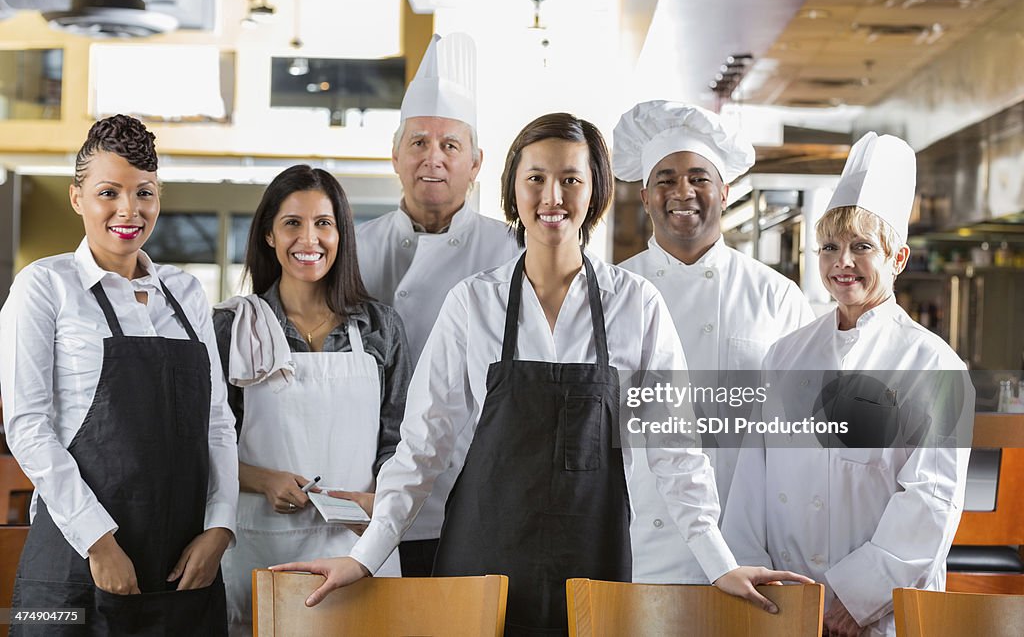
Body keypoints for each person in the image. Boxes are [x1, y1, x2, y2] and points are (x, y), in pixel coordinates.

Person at [274, 113, 809, 636]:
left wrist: (719, 563)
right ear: (513, 190)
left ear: (595, 191)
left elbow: (676, 450)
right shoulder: (473, 303)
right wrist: (366, 557)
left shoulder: (636, 304)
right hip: (482, 558)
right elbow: (422, 447)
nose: (553, 197)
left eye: (571, 179)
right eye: (536, 179)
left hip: (593, 558)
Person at [722, 132, 973, 637]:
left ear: (897, 258)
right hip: (784, 607)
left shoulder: (934, 365)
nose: (843, 262)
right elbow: (751, 477)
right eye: (830, 247)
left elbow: (931, 503)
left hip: (878, 614)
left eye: (862, 247)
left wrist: (855, 600)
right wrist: (753, 577)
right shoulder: (786, 355)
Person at [0, 114, 237, 635]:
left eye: (144, 193)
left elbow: (217, 423)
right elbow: (28, 427)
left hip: (184, 562)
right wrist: (98, 542)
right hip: (74, 557)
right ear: (77, 198)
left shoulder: (187, 292)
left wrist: (220, 528)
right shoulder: (45, 286)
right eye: (109, 192)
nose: (128, 210)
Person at [614, 101, 813, 583]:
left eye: (699, 178)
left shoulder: (776, 296)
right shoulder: (609, 292)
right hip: (636, 542)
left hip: (743, 543)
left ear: (724, 192)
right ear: (645, 196)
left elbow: (802, 433)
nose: (683, 191)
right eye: (665, 179)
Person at [212, 165, 410, 635]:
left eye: (324, 223)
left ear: (342, 234)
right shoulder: (234, 328)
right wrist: (264, 480)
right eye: (292, 223)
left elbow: (400, 441)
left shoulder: (380, 328)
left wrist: (377, 500)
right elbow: (207, 442)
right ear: (268, 235)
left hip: (358, 545)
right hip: (262, 545)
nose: (309, 239)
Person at [354, 32, 520, 576]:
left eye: (451, 145)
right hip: (364, 491)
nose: (434, 158)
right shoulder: (351, 249)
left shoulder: (512, 251)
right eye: (419, 142)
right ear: (395, 155)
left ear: (476, 163)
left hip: (477, 486)